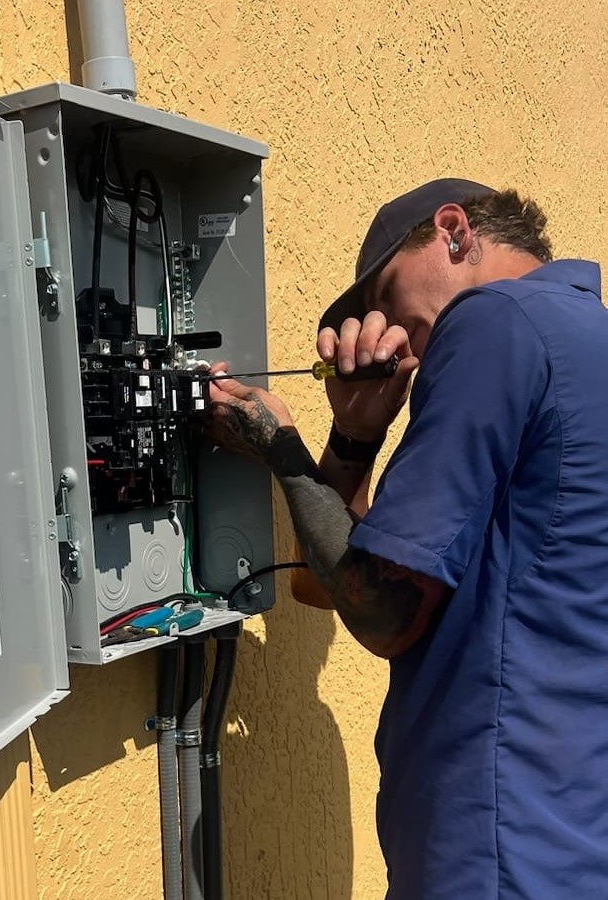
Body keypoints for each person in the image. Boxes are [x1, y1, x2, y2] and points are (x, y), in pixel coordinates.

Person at [207, 178, 608, 898]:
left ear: (453, 231)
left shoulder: (494, 323)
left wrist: (279, 447)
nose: (389, 334)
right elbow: (320, 584)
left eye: (388, 297)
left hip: (493, 851)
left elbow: (382, 610)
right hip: (571, 838)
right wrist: (355, 436)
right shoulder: (584, 339)